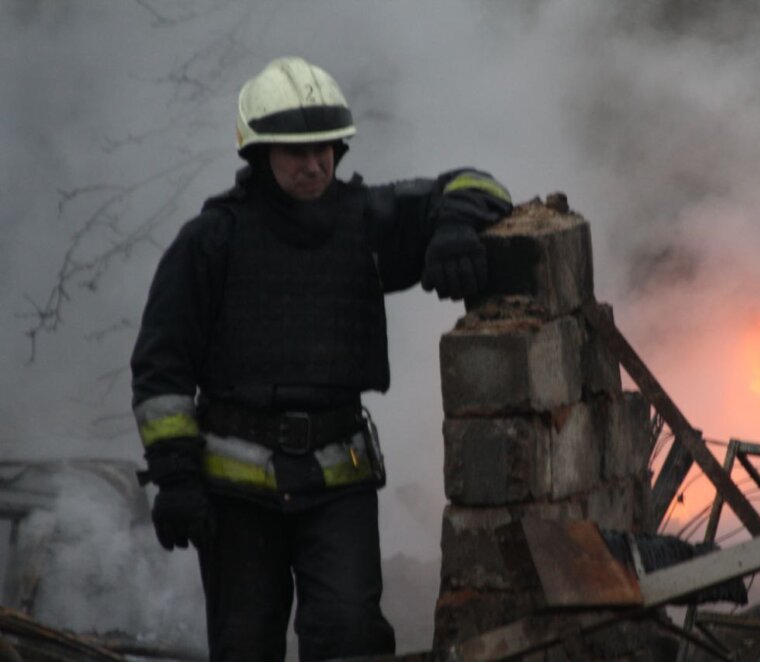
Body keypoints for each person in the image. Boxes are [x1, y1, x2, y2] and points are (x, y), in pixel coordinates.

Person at [130, 56, 512, 661]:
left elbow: (477, 184)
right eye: (294, 153)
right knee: (245, 645)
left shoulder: (364, 220)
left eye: (325, 150)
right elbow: (161, 368)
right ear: (259, 155)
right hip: (235, 497)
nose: (313, 166)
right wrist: (176, 478)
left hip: (337, 486)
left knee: (350, 638)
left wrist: (455, 228)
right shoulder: (210, 241)